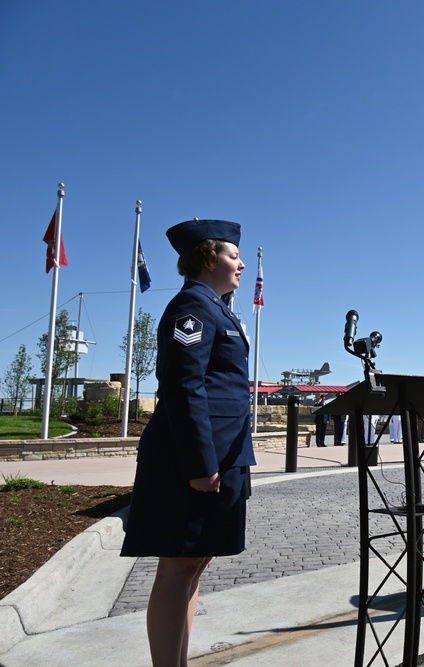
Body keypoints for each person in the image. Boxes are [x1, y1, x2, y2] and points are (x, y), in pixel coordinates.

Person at [120, 219, 256, 666]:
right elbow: (183, 386)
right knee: (178, 567)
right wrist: (200, 464)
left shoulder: (217, 308)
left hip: (222, 456)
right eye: (233, 255)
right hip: (195, 461)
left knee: (193, 566)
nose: (240, 264)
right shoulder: (192, 308)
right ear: (207, 257)